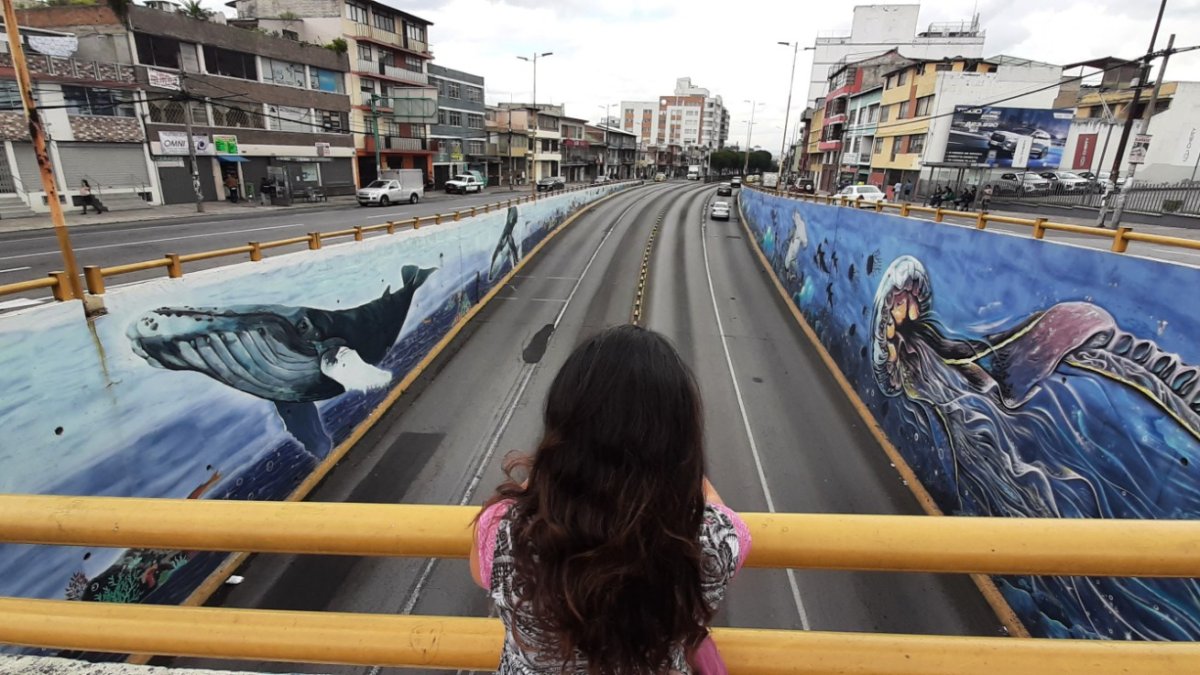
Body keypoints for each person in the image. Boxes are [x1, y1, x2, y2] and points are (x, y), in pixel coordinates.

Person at [471, 325, 750, 675]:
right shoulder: (709, 542)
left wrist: (548, 473)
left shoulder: (506, 528)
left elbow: (482, 574)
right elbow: (730, 523)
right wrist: (680, 471)